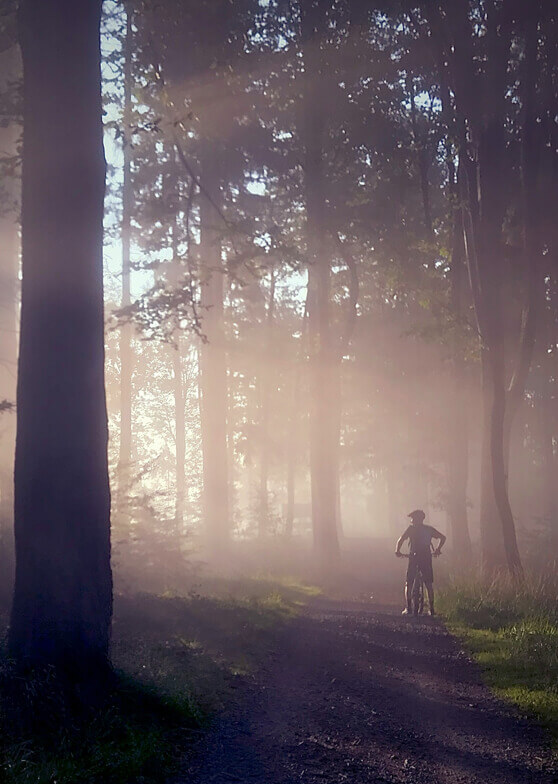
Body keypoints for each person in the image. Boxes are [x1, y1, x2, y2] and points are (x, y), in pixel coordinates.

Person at [395, 509, 446, 616]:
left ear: (415, 519)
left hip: (414, 557)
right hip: (426, 558)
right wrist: (437, 549)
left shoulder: (411, 529)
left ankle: (408, 608)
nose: (412, 520)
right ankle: (431, 609)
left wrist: (398, 551)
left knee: (409, 582)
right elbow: (443, 538)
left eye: (413, 518)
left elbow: (401, 539)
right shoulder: (429, 529)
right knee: (428, 584)